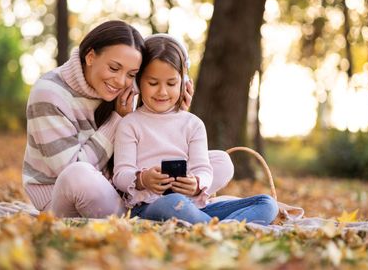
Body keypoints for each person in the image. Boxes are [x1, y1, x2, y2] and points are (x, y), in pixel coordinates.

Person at [22, 20, 234, 218]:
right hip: (66, 195)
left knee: (220, 162)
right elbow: (66, 172)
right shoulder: (49, 93)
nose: (121, 81)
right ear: (90, 57)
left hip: (122, 194)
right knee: (78, 174)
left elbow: (139, 150)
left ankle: (161, 208)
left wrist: (173, 117)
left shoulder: (121, 91)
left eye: (131, 74)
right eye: (114, 68)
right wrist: (116, 121)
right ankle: (167, 210)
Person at [113, 35, 278, 225]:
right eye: (153, 83)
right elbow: (121, 175)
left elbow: (203, 169)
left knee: (267, 203)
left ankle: (218, 227)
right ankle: (224, 227)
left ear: (183, 83)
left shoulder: (193, 124)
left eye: (171, 83)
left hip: (193, 206)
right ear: (138, 83)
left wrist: (197, 183)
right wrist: (143, 179)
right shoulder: (130, 124)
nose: (162, 92)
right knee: (174, 202)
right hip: (149, 206)